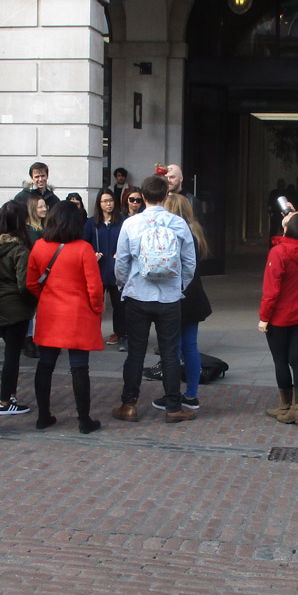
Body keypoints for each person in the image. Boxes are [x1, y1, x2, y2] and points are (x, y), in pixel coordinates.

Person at [112, 174, 197, 424]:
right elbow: (189, 263)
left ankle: (129, 404)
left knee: (136, 353)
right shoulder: (179, 224)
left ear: (143, 196)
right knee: (170, 353)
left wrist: (124, 285)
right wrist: (180, 285)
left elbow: (122, 262)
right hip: (169, 298)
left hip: (138, 295)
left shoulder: (131, 224)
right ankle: (173, 406)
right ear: (166, 196)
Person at [27, 201, 104, 433]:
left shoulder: (39, 246)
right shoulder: (83, 248)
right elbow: (95, 288)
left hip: (50, 313)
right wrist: (96, 309)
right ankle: (84, 420)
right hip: (78, 314)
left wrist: (48, 296)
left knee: (45, 365)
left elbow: (31, 283)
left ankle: (43, 416)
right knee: (79, 367)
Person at [258, 208, 298, 424]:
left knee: (280, 361)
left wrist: (264, 317)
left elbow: (271, 291)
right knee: (297, 359)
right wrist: (294, 217)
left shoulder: (279, 253)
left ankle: (286, 404)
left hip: (280, 316)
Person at [159, 193, 211, 412]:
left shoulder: (173, 232)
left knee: (174, 347)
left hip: (176, 293)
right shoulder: (195, 230)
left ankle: (173, 395)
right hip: (194, 294)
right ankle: (192, 395)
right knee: (190, 346)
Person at [0, 200, 36, 417]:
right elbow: (24, 285)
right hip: (15, 307)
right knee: (12, 356)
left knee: (10, 352)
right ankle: (6, 400)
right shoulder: (19, 249)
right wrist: (33, 301)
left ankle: (7, 398)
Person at [83, 188, 126, 350]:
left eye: (110, 200)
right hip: (98, 271)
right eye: (104, 201)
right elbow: (83, 244)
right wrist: (91, 255)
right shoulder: (91, 223)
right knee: (95, 305)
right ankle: (92, 335)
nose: (108, 204)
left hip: (117, 271)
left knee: (120, 306)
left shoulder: (122, 221)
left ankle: (122, 336)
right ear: (99, 204)